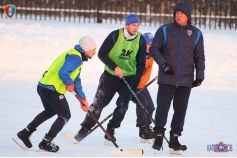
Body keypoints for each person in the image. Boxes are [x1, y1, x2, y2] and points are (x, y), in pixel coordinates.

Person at [12, 35, 97, 152]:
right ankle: (46, 142)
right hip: (52, 89)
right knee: (65, 115)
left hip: (43, 86)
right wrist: (68, 82)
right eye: (94, 49)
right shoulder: (75, 58)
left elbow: (76, 80)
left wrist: (83, 99)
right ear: (87, 49)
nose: (95, 52)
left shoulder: (74, 55)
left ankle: (25, 133)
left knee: (50, 111)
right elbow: (63, 73)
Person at [74, 13, 146, 143]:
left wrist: (136, 80)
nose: (136, 28)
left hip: (128, 77)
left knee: (123, 105)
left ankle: (111, 129)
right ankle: (85, 128)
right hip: (110, 76)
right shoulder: (115, 35)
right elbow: (102, 53)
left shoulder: (141, 39)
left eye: (138, 25)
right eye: (133, 25)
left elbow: (141, 63)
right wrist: (115, 67)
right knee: (99, 103)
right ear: (127, 25)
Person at [150, 2, 205, 154]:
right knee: (162, 108)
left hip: (185, 79)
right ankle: (159, 135)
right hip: (167, 77)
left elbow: (200, 57)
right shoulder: (165, 30)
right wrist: (163, 65)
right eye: (177, 12)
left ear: (188, 15)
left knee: (180, 110)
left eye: (182, 13)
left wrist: (199, 75)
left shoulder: (196, 34)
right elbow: (154, 48)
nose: (178, 15)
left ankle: (174, 138)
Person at [132, 32, 155, 143]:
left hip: (143, 86)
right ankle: (142, 129)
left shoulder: (153, 55)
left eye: (151, 44)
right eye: (147, 44)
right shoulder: (137, 55)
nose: (149, 47)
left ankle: (147, 127)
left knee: (151, 107)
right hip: (133, 86)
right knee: (142, 102)